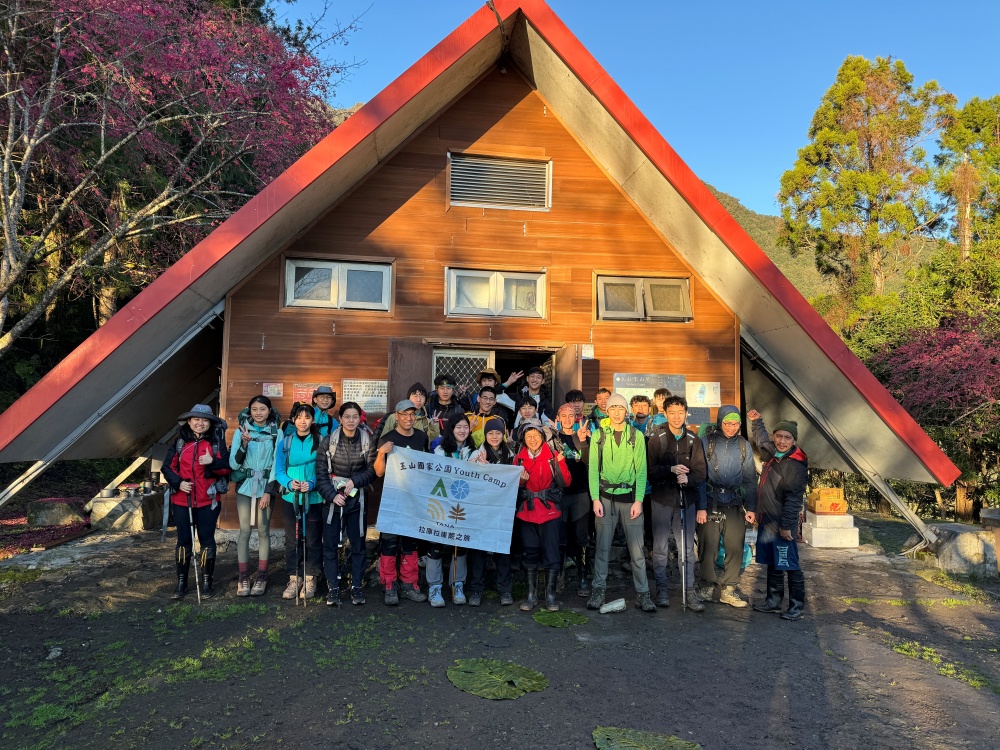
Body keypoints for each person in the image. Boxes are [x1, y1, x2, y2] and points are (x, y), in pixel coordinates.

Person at [586, 393, 655, 612]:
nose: (617, 412)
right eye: (613, 408)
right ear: (607, 410)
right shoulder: (598, 435)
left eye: (621, 408)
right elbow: (593, 470)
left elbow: (641, 470)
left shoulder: (635, 435)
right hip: (605, 499)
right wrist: (595, 498)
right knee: (602, 549)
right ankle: (598, 590)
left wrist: (639, 500)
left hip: (630, 499)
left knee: (637, 551)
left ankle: (643, 594)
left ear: (627, 412)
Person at [163, 404, 230, 600]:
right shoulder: (179, 442)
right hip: (182, 500)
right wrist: (178, 482)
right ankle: (182, 581)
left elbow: (227, 469)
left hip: (208, 500)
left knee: (207, 541)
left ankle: (207, 581)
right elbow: (167, 467)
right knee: (184, 541)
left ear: (210, 423)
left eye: (205, 420)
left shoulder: (216, 442)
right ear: (189, 421)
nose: (200, 423)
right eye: (196, 419)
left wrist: (213, 462)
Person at [647, 395, 708, 610]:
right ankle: (662, 590)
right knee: (661, 547)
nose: (676, 417)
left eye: (680, 412)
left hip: (686, 500)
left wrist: (688, 479)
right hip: (662, 499)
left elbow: (701, 472)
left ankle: (689, 591)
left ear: (686, 413)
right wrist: (670, 470)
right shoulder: (657, 438)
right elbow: (649, 471)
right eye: (672, 412)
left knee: (687, 549)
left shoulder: (694, 440)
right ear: (664, 413)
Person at [316, 401, 378, 607]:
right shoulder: (329, 441)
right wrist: (332, 495)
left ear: (359, 418)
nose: (351, 421)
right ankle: (333, 587)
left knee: (359, 545)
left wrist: (355, 481)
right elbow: (321, 473)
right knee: (331, 545)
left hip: (357, 499)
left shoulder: (366, 439)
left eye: (355, 417)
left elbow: (372, 470)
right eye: (347, 417)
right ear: (340, 419)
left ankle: (357, 586)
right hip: (333, 500)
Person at [747, 410, 808, 621]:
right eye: (779, 436)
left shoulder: (795, 465)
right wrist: (756, 422)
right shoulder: (773, 453)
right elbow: (761, 439)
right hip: (767, 520)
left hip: (782, 523)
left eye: (787, 437)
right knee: (773, 562)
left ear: (794, 440)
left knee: (789, 563)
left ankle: (796, 606)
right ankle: (773, 601)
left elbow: (793, 500)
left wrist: (787, 526)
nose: (782, 441)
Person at [696, 406, 758, 608]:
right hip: (710, 500)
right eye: (727, 423)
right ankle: (706, 586)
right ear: (720, 422)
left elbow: (750, 479)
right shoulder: (707, 442)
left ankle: (729, 589)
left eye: (736, 424)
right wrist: (701, 507)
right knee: (708, 546)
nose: (732, 427)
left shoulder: (743, 445)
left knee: (735, 546)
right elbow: (699, 477)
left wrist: (752, 508)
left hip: (734, 502)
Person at [373, 399, 430, 606]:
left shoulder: (422, 437)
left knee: (410, 544)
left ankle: (409, 584)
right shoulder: (387, 439)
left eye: (412, 414)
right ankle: (389, 585)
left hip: (413, 500)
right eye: (404, 414)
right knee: (389, 542)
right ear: (396, 416)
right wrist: (381, 453)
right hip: (392, 500)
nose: (408, 418)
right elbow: (379, 472)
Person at [513, 418, 571, 612]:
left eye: (536, 435)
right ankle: (531, 596)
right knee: (530, 552)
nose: (532, 439)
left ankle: (550, 596)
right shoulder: (518, 458)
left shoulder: (552, 455)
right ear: (523, 438)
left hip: (549, 511)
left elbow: (566, 483)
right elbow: (511, 487)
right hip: (527, 512)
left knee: (551, 552)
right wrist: (520, 482)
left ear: (542, 436)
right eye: (528, 436)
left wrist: (561, 463)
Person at [229, 396, 279, 596]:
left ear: (269, 411)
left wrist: (268, 491)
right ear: (249, 411)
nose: (258, 413)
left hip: (265, 486)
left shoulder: (277, 431)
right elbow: (234, 464)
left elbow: (277, 463)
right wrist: (244, 444)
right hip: (245, 486)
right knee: (244, 531)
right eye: (254, 409)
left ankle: (261, 576)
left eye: (262, 409)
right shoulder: (241, 431)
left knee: (263, 530)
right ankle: (243, 577)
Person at [274, 403, 323, 600]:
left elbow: (325, 470)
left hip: (314, 498)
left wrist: (312, 483)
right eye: (299, 417)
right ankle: (294, 578)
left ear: (313, 420)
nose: (303, 421)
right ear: (293, 419)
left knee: (312, 539)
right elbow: (278, 470)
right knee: (292, 540)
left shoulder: (321, 441)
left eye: (307, 417)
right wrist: (289, 482)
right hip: (290, 497)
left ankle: (311, 578)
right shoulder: (284, 443)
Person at [427, 414, 478, 606]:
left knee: (460, 545)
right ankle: (434, 587)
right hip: (441, 502)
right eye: (458, 427)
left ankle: (457, 584)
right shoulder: (440, 450)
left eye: (465, 427)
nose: (462, 431)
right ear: (451, 429)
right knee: (436, 543)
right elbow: (442, 471)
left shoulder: (473, 451)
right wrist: (466, 467)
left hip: (464, 503)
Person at [467, 416, 516, 607]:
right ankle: (476, 590)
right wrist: (481, 468)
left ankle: (505, 590)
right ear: (485, 435)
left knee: (502, 549)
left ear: (503, 434)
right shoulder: (476, 454)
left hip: (502, 508)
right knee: (478, 550)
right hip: (481, 508)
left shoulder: (510, 453)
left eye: (498, 433)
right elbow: (470, 478)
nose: (494, 437)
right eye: (490, 433)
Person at [555, 403, 592, 597]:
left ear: (576, 417)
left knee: (581, 538)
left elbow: (588, 461)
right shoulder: (553, 439)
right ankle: (559, 575)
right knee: (560, 538)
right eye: (564, 415)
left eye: (571, 415)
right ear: (558, 418)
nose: (568, 419)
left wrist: (584, 441)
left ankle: (583, 577)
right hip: (560, 494)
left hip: (580, 493)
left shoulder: (583, 436)